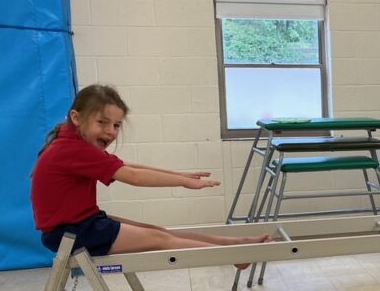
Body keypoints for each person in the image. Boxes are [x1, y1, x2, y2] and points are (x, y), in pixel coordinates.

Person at [31, 84, 268, 264]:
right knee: (160, 241)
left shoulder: (72, 143)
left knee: (159, 233)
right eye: (102, 122)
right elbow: (133, 177)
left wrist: (180, 175)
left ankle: (235, 245)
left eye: (116, 125)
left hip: (82, 224)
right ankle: (233, 256)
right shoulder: (74, 149)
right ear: (76, 118)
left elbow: (129, 166)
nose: (110, 132)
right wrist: (183, 183)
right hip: (70, 234)